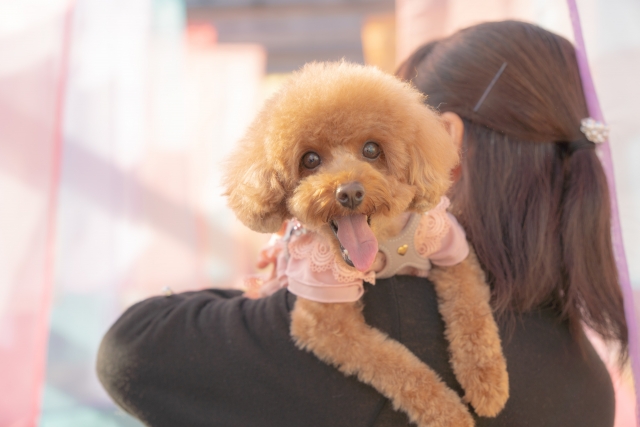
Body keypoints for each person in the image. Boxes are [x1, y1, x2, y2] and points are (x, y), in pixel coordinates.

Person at [97, 21, 627, 427]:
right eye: (314, 159)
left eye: (374, 151)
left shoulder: (378, 309)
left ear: (448, 145)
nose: (350, 180)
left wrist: (262, 297)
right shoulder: (589, 381)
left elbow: (130, 349)